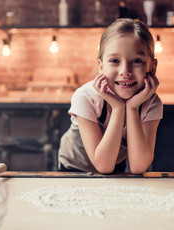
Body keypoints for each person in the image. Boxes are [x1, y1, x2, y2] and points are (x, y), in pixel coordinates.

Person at [58, 18, 163, 174]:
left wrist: (132, 108)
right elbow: (103, 165)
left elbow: (138, 167)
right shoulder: (86, 97)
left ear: (152, 66)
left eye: (136, 61)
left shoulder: (151, 104)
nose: (125, 71)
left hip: (113, 167)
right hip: (74, 169)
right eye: (114, 60)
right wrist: (119, 108)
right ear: (101, 67)